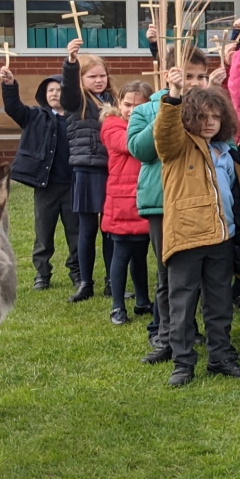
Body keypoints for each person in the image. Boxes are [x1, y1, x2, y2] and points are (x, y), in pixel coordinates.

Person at [153, 70, 240, 387]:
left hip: (222, 239)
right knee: (182, 304)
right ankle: (183, 363)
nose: (210, 122)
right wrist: (173, 94)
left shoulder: (226, 151)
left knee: (219, 302)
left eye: (215, 116)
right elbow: (165, 132)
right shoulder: (177, 147)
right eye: (202, 116)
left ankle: (220, 357)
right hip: (186, 238)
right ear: (189, 117)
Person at [128, 27, 211, 363]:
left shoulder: (209, 108)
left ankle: (194, 329)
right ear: (170, 75)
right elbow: (141, 149)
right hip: (163, 202)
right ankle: (167, 335)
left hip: (201, 200)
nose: (194, 82)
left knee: (201, 271)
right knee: (168, 273)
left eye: (200, 76)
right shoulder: (148, 108)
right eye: (187, 75)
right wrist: (170, 104)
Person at [0, 66, 78, 291]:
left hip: (72, 185)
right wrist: (9, 85)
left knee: (76, 232)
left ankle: (77, 271)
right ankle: (42, 274)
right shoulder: (34, 117)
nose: (54, 93)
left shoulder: (77, 119)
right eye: (50, 90)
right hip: (46, 186)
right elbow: (13, 107)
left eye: (60, 89)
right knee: (43, 232)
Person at [60, 37, 116, 302]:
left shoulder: (113, 100)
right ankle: (85, 282)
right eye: (92, 76)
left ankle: (111, 281)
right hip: (85, 169)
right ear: (82, 79)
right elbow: (69, 88)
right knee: (86, 229)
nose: (98, 80)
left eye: (102, 75)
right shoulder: (75, 101)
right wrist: (71, 63)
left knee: (109, 227)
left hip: (110, 169)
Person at [100, 81, 155, 325]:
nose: (132, 110)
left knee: (140, 253)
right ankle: (117, 305)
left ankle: (142, 300)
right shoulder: (112, 126)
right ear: (118, 104)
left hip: (143, 197)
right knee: (121, 253)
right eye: (127, 104)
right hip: (121, 199)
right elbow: (131, 145)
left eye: (139, 105)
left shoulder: (146, 125)